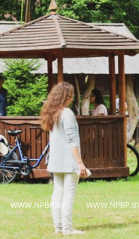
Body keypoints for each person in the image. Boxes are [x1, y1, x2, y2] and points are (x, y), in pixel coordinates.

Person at [41, 82, 88, 235]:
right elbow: (71, 140)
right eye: (71, 94)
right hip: (69, 161)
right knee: (68, 195)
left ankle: (59, 227)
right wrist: (80, 163)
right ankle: (67, 229)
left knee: (57, 194)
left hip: (56, 161)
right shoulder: (67, 113)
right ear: (67, 96)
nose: (72, 97)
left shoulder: (52, 113)